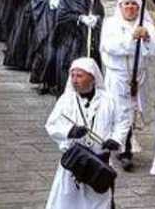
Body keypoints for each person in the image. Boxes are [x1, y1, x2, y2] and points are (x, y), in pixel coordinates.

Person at [44, 58, 130, 209]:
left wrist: (115, 139)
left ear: (92, 77)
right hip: (74, 163)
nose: (74, 80)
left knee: (100, 203)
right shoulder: (66, 100)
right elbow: (52, 124)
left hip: (99, 163)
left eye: (79, 76)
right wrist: (70, 132)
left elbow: (122, 121)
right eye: (73, 76)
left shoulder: (109, 100)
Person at [100, 0, 155, 171]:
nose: (130, 8)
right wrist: (132, 38)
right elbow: (110, 47)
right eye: (127, 4)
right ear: (120, 7)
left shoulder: (147, 25)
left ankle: (126, 149)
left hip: (138, 78)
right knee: (119, 112)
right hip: (118, 76)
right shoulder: (111, 24)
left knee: (132, 112)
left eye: (134, 5)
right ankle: (122, 150)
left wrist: (147, 37)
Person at [44, 0, 104, 97]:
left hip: (88, 39)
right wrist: (79, 18)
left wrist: (96, 18)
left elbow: (99, 10)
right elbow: (61, 16)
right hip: (70, 40)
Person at [29, 0, 67, 93]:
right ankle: (43, 80)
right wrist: (49, 3)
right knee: (46, 52)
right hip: (46, 22)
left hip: (61, 22)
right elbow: (36, 1)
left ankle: (57, 82)